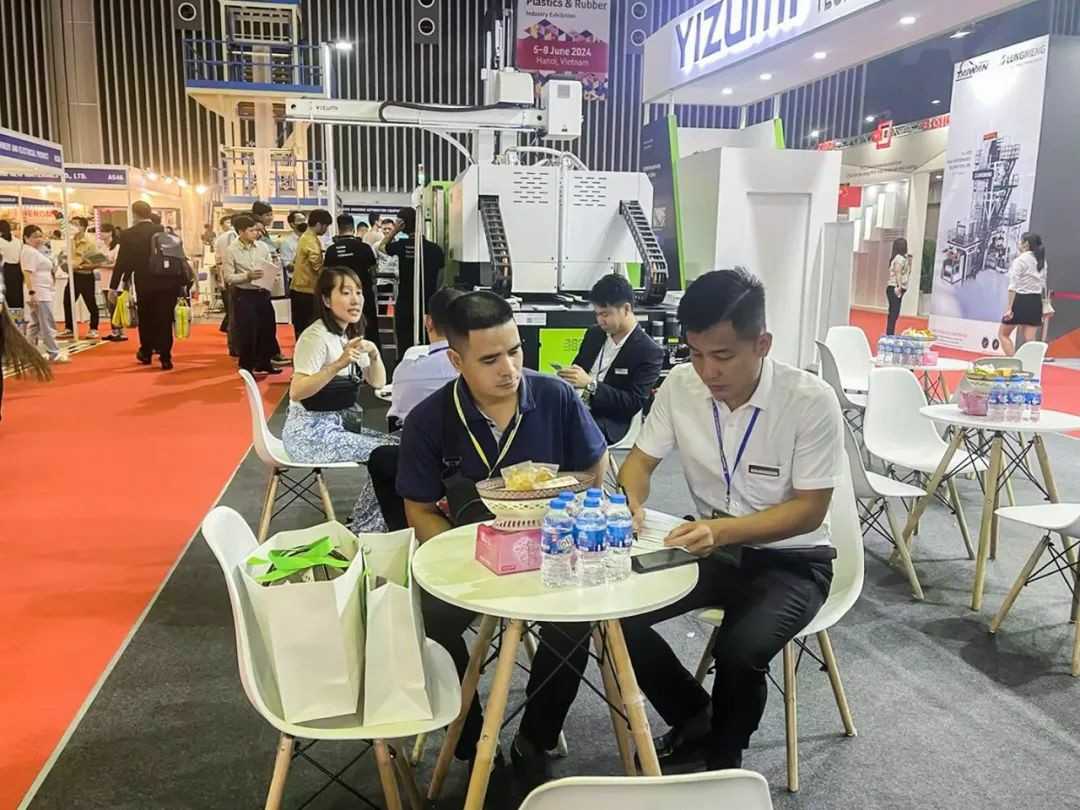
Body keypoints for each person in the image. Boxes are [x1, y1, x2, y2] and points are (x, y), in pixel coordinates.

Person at [617, 268, 844, 773]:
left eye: (723, 356)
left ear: (762, 344)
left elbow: (810, 510)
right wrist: (629, 502)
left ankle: (724, 757)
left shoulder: (809, 401)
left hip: (793, 560)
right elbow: (639, 464)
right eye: (695, 354)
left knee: (741, 651)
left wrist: (721, 530)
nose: (707, 371)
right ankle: (694, 716)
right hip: (710, 549)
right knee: (613, 616)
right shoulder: (681, 386)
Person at [395, 291, 608, 785]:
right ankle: (469, 738)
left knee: (574, 623)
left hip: (552, 554)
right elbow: (419, 510)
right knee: (426, 620)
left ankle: (535, 738)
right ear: (456, 361)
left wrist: (570, 518)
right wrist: (465, 557)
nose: (509, 369)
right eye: (490, 359)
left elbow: (594, 469)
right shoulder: (429, 419)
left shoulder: (554, 397)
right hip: (472, 559)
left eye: (515, 351)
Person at [281, 266, 398, 532]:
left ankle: (362, 521)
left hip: (338, 427)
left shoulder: (346, 335)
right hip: (309, 435)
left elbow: (378, 382)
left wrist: (374, 353)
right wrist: (337, 365)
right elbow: (297, 391)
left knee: (399, 446)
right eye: (345, 293)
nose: (355, 300)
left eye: (359, 292)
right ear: (326, 299)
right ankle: (366, 527)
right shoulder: (315, 337)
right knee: (391, 456)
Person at [367, 287, 464, 531]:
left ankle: (390, 532)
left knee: (384, 457)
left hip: (421, 467)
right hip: (469, 470)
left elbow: (397, 416)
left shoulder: (407, 370)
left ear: (428, 322)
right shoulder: (479, 372)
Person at [559, 274, 664, 444]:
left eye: (605, 314)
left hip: (609, 420)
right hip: (577, 405)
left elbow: (632, 403)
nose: (600, 320)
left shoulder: (649, 352)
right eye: (597, 314)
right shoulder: (594, 334)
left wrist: (591, 385)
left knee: (567, 430)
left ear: (626, 309)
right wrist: (568, 376)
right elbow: (579, 367)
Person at [111, 200, 181, 370]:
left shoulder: (128, 234)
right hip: (168, 280)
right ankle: (165, 356)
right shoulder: (163, 231)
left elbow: (123, 262)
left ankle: (146, 352)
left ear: (134, 214)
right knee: (164, 318)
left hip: (145, 281)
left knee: (146, 317)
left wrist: (115, 285)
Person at [222, 215, 280, 376]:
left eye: (257, 230)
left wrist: (272, 275)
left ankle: (264, 362)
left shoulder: (262, 247)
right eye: (252, 230)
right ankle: (247, 365)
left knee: (267, 328)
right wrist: (247, 276)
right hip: (244, 294)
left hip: (263, 292)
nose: (256, 233)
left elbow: (269, 265)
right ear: (241, 231)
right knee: (248, 331)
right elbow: (228, 277)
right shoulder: (231, 250)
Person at [384, 207, 445, 356]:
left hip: (405, 300)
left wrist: (394, 231)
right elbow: (441, 277)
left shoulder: (401, 246)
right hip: (428, 301)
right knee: (428, 338)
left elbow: (381, 247)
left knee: (404, 337)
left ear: (403, 224)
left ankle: (404, 362)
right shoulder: (435, 249)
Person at [325, 213, 380, 348]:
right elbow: (374, 270)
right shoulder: (364, 247)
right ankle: (370, 353)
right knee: (368, 326)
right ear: (353, 228)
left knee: (342, 327)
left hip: (340, 295)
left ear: (339, 228)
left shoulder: (332, 250)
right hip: (363, 294)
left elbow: (327, 274)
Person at [20, 225, 66, 363]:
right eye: (35, 236)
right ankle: (53, 351)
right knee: (47, 322)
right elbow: (27, 273)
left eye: (40, 236)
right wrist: (32, 292)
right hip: (38, 291)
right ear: (26, 238)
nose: (38, 239)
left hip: (43, 290)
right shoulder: (29, 252)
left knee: (36, 324)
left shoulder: (37, 251)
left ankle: (28, 352)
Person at [250, 201, 288, 365]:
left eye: (271, 214)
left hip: (266, 281)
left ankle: (270, 353)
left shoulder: (264, 232)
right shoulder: (256, 233)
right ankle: (265, 356)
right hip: (257, 283)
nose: (271, 218)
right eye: (267, 215)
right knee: (262, 323)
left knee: (268, 321)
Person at [1000, 232, 1047, 357]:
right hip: (1036, 300)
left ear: (1026, 243)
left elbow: (1012, 286)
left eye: (1021, 241)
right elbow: (1043, 284)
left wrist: (1009, 308)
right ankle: (1031, 364)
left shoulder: (1020, 260)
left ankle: (1013, 363)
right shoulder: (1042, 261)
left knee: (1003, 334)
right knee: (1029, 340)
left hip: (1021, 300)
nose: (1019, 244)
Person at [289, 208, 331, 339]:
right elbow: (316, 264)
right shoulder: (310, 240)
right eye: (326, 226)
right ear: (318, 224)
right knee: (308, 327)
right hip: (306, 289)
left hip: (301, 287)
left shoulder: (306, 237)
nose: (326, 230)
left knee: (302, 326)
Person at [60, 216, 101, 340]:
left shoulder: (90, 243)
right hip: (73, 276)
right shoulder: (70, 242)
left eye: (75, 224)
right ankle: (69, 328)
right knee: (67, 301)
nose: (72, 226)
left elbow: (97, 263)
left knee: (90, 303)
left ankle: (93, 328)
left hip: (86, 276)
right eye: (71, 223)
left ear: (83, 227)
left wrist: (80, 267)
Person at [214, 214, 239, 355]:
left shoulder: (221, 239)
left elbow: (218, 260)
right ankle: (234, 346)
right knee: (233, 312)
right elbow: (220, 260)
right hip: (233, 278)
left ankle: (233, 345)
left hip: (227, 277)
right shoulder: (230, 238)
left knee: (231, 311)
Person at [99, 224, 127, 342]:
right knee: (110, 307)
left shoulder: (117, 247)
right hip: (104, 279)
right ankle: (115, 330)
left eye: (103, 231)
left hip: (114, 280)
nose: (101, 234)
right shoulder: (102, 247)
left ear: (110, 232)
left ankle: (120, 331)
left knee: (115, 306)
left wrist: (104, 264)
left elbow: (118, 264)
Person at [885, 237, 911, 336]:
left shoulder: (903, 258)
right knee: (893, 313)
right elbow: (898, 272)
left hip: (898, 287)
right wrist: (899, 286)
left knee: (894, 313)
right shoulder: (899, 258)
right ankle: (889, 334)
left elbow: (906, 273)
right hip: (895, 287)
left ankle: (890, 333)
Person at [0, 219, 23, 316]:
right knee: (18, 295)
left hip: (5, 269)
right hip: (18, 269)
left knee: (6, 296)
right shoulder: (19, 241)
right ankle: (18, 318)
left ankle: (7, 318)